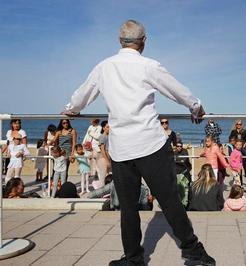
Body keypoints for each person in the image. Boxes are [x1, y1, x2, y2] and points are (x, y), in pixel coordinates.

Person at [62, 20, 214, 265]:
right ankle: (194, 253)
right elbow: (176, 90)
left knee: (128, 207)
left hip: (121, 149)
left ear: (119, 41)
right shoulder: (148, 65)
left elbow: (81, 97)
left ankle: (133, 258)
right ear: (144, 41)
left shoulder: (104, 67)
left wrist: (70, 109)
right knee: (169, 200)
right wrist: (196, 107)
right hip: (150, 144)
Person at [96, 121, 111, 187]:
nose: (109, 128)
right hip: (103, 159)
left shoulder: (108, 136)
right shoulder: (102, 136)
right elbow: (102, 150)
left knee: (108, 176)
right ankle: (101, 193)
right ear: (103, 128)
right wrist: (107, 160)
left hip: (108, 158)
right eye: (107, 127)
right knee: (103, 177)